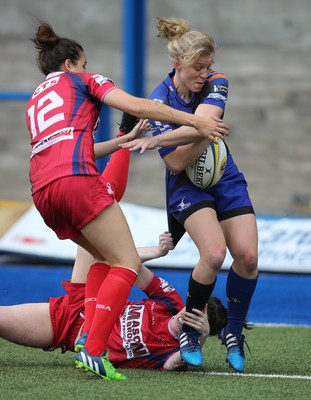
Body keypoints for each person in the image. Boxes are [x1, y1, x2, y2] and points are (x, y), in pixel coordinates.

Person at [25, 21, 229, 380]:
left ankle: (89, 333)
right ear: (71, 63)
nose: (87, 69)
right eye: (84, 63)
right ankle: (93, 349)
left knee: (105, 256)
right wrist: (196, 124)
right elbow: (139, 105)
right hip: (74, 181)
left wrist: (124, 140)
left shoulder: (37, 99)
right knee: (127, 261)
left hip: (42, 189)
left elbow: (78, 146)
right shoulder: (83, 80)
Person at [120, 17, 259, 373]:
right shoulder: (158, 98)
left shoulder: (218, 80)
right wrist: (196, 129)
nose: (205, 73)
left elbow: (207, 120)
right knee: (213, 254)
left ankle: (231, 331)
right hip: (186, 183)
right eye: (198, 67)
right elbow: (180, 161)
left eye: (208, 66)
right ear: (176, 64)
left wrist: (162, 137)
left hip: (223, 174)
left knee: (247, 256)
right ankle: (190, 332)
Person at [0, 232, 227, 373]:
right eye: (191, 308)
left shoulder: (172, 351)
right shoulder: (169, 300)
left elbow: (179, 363)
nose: (185, 315)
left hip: (69, 329)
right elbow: (130, 265)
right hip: (86, 297)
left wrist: (199, 338)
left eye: (195, 319)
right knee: (91, 229)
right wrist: (156, 252)